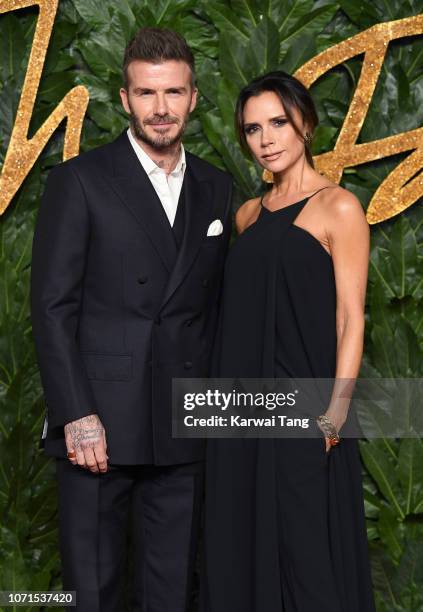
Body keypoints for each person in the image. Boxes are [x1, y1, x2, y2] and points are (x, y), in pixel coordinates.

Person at [30, 27, 232, 612]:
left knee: (172, 591)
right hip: (98, 425)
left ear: (194, 97)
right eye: (146, 93)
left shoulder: (216, 189)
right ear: (124, 99)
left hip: (183, 422)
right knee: (91, 590)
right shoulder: (80, 181)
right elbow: (51, 306)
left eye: (173, 93)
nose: (161, 109)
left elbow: (213, 311)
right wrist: (76, 415)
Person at [200, 71, 376, 611]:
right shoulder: (247, 216)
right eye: (253, 129)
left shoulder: (339, 207)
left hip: (305, 413)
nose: (266, 139)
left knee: (308, 558)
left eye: (278, 122)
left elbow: (351, 319)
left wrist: (336, 413)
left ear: (305, 123)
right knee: (241, 548)